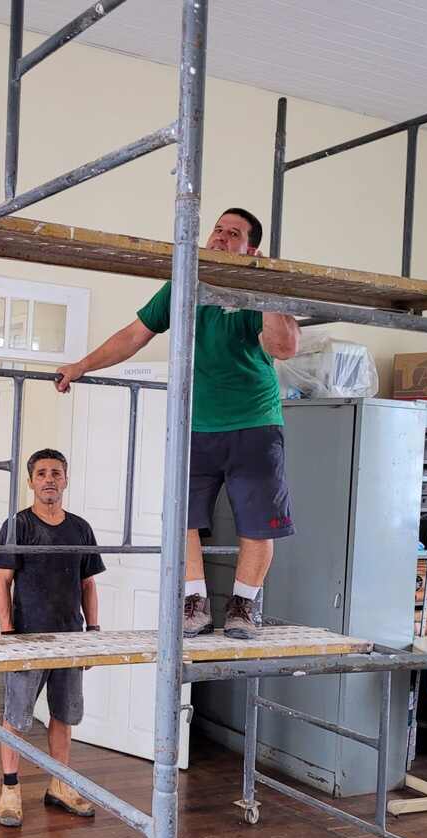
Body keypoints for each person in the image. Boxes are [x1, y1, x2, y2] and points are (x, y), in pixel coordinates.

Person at [56, 208, 299, 640]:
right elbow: (133, 336)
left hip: (254, 423)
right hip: (196, 426)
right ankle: (195, 602)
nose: (220, 237)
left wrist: (266, 286)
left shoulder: (258, 290)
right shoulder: (184, 283)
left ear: (251, 249)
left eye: (234, 234)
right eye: (217, 230)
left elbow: (284, 347)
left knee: (258, 522)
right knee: (182, 516)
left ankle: (243, 606)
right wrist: (81, 366)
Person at [0, 448, 104, 828]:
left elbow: (87, 585)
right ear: (30, 482)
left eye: (56, 472)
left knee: (63, 714)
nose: (49, 479)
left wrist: (93, 632)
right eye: (41, 473)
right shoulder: (17, 526)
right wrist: (8, 633)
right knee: (16, 716)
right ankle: (10, 789)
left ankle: (59, 784)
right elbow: (2, 582)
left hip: (70, 637)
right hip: (27, 637)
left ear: (66, 479)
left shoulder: (80, 529)